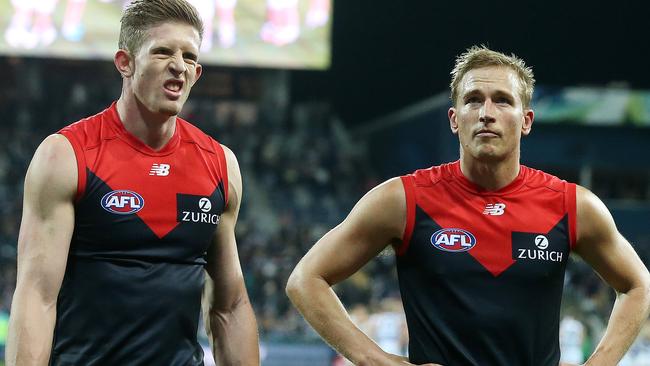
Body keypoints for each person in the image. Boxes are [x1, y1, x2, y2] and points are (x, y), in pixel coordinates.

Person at [286, 45, 650, 366]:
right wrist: (378, 361)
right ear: (454, 118)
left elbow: (639, 286)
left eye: (502, 100)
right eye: (473, 99)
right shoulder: (402, 199)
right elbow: (305, 280)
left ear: (526, 121)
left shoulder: (573, 205)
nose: (486, 112)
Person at [5, 1, 259, 365]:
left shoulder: (220, 164)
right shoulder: (67, 156)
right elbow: (37, 295)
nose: (178, 66)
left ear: (197, 72)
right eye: (162, 52)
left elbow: (230, 306)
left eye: (189, 57)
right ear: (125, 62)